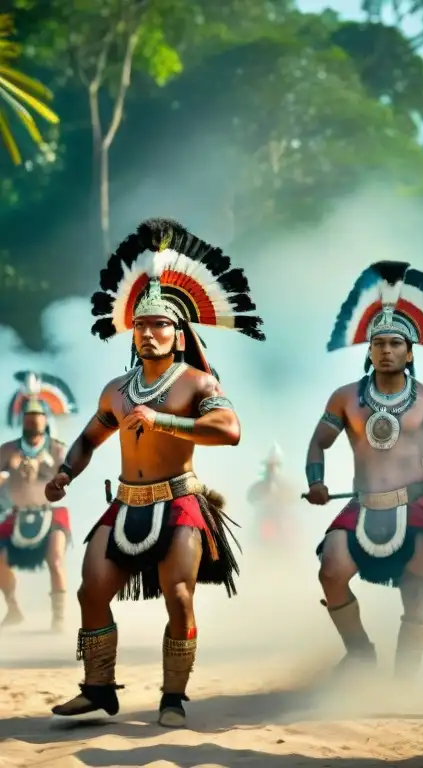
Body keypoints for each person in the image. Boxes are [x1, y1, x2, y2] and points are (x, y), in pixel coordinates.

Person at [45, 218, 265, 727]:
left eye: (159, 324)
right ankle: (98, 688)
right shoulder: (116, 390)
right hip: (125, 502)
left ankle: (173, 698)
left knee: (180, 597)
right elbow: (87, 439)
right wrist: (65, 473)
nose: (148, 332)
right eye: (141, 325)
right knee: (90, 590)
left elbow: (230, 429)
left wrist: (164, 419)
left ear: (178, 331)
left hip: (179, 502)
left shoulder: (196, 382)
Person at [305, 260, 423, 681]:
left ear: (410, 351)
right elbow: (318, 442)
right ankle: (360, 651)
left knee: (414, 595)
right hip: (362, 507)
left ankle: (404, 683)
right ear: (368, 349)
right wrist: (317, 482)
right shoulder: (345, 398)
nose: (386, 350)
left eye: (395, 343)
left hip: (414, 507)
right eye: (378, 342)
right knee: (331, 570)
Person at [0, 371, 78, 630]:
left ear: (46, 420)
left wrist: (44, 472)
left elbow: (65, 480)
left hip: (50, 513)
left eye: (38, 417)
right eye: (29, 417)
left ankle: (58, 619)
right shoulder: (7, 450)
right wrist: (7, 473)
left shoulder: (56, 450)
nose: (33, 422)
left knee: (56, 559)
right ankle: (13, 609)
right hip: (15, 514)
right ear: (22, 420)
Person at [247, 443, 298, 547]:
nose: (272, 469)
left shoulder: (286, 485)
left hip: (282, 527)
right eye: (270, 466)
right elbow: (250, 498)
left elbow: (295, 498)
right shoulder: (259, 486)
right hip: (263, 524)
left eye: (275, 465)